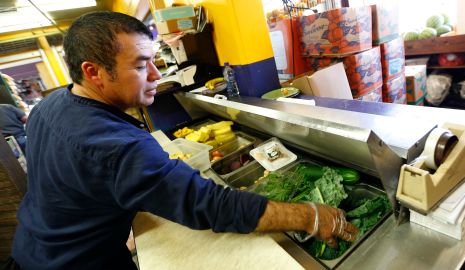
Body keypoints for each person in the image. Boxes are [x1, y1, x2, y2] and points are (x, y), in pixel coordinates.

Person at [11, 11, 358, 269]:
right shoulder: (118, 146)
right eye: (140, 65)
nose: (156, 74)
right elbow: (210, 206)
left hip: (32, 248)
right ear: (93, 72)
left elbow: (74, 180)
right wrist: (309, 216)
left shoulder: (50, 106)